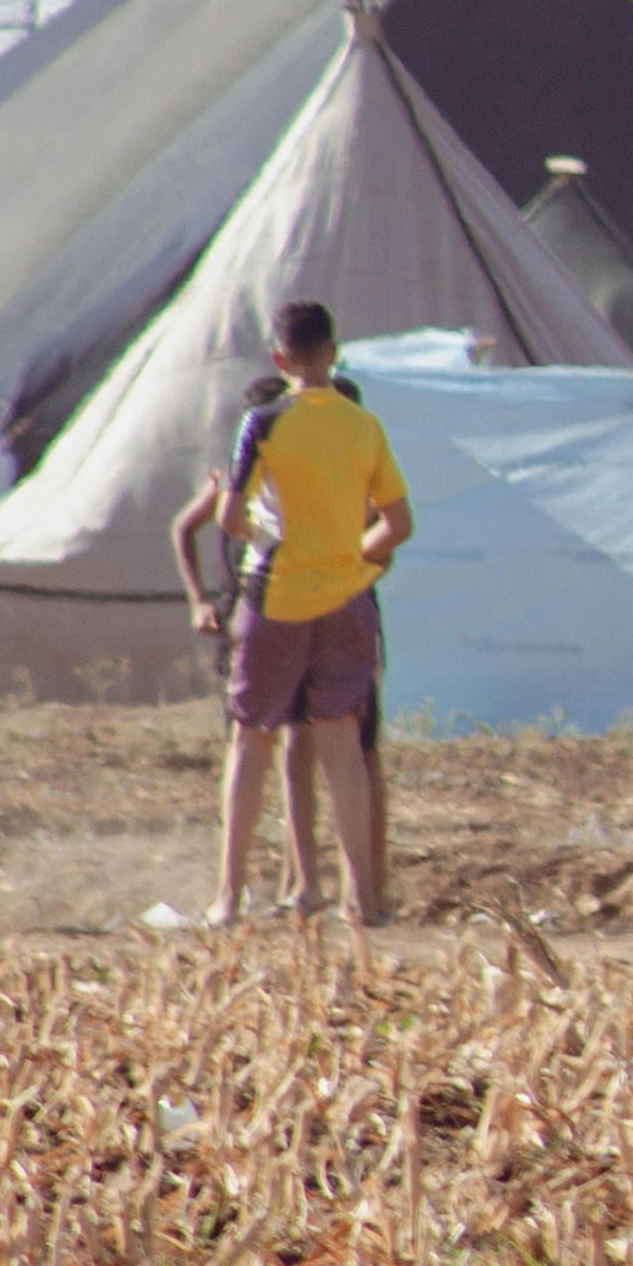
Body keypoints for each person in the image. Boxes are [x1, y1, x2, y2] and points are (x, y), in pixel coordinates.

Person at [174, 300, 405, 932]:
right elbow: (398, 524)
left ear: (279, 359)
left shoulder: (263, 421)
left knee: (251, 739)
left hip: (274, 595)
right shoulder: (365, 427)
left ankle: (230, 895)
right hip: (346, 599)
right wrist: (346, 557)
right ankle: (363, 898)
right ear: (335, 351)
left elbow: (227, 516)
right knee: (342, 746)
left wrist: (272, 541)